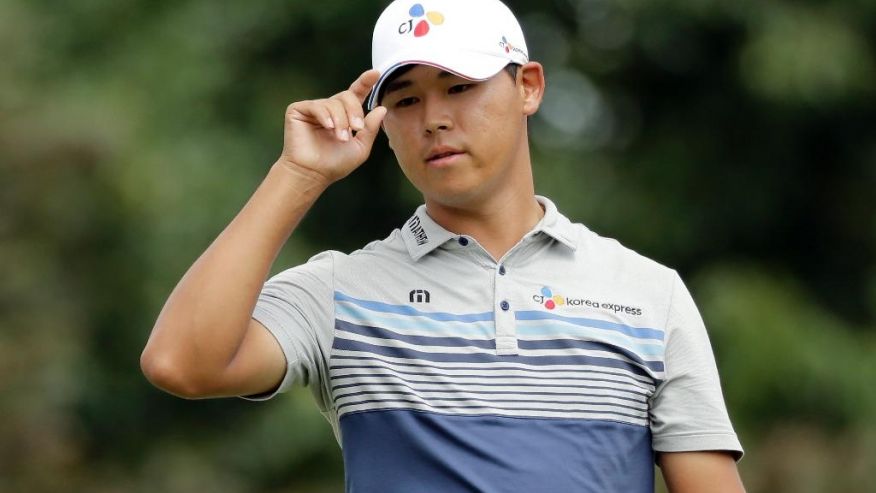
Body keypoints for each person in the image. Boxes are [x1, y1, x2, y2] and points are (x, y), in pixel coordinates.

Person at [141, 0, 745, 491]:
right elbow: (181, 363)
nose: (433, 118)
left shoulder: (648, 292)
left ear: (528, 86)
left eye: (459, 87)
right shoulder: (340, 291)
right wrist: (300, 175)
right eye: (405, 100)